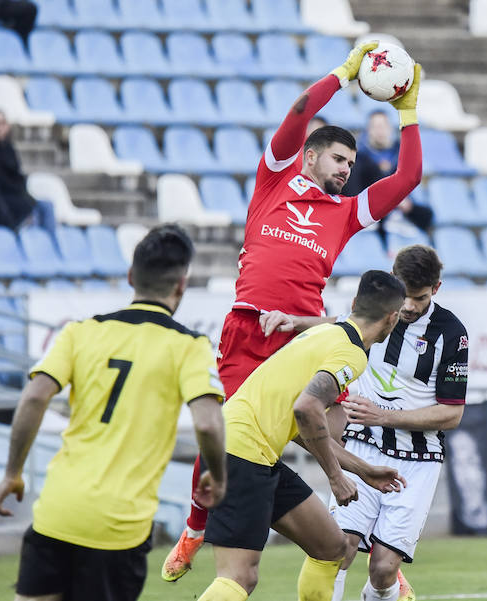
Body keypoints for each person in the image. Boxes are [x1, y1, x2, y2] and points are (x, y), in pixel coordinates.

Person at [162, 41, 424, 581]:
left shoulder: (347, 213)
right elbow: (300, 112)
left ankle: (367, 542)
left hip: (307, 340)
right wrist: (347, 72)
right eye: (338, 159)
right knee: (228, 429)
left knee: (332, 432)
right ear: (310, 155)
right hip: (249, 326)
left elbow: (407, 179)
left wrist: (408, 113)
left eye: (352, 164)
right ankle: (194, 527)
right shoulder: (274, 180)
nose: (346, 171)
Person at [0, 224, 228, 601]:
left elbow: (34, 397)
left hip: (57, 512)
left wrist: (13, 473)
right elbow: (208, 422)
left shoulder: (81, 332)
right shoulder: (189, 345)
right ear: (181, 285)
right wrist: (217, 473)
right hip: (119, 529)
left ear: (131, 277)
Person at [194, 270, 409, 601]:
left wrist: (362, 469)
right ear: (393, 318)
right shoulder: (351, 352)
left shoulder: (323, 334)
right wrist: (336, 478)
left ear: (353, 304)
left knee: (331, 546)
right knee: (240, 576)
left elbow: (302, 426)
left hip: (250, 448)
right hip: (242, 452)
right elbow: (307, 409)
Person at [273, 245, 467, 601]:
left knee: (382, 569)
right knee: (339, 549)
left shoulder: (452, 333)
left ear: (436, 289)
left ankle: (392, 589)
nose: (408, 306)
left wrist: (385, 416)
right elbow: (343, 326)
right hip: (363, 445)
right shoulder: (380, 310)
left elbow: (452, 414)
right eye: (404, 296)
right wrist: (299, 322)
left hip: (417, 460)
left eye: (419, 298)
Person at [343, 110, 433, 244]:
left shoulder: (404, 158)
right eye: (375, 126)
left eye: (383, 126)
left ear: (390, 128)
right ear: (368, 130)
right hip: (371, 225)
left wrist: (407, 206)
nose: (380, 130)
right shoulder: (357, 161)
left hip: (401, 221)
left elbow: (426, 214)